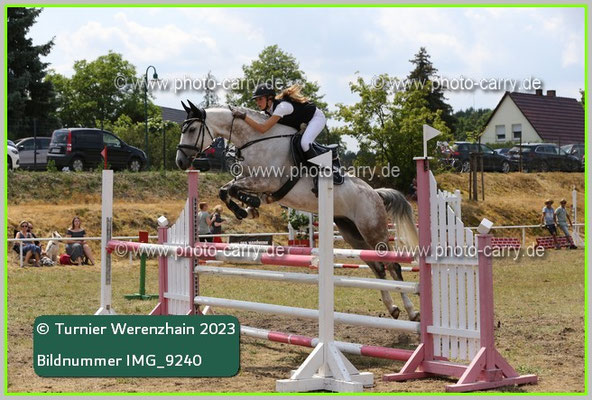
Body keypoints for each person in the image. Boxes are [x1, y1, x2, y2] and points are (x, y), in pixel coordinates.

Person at [232, 83, 327, 161]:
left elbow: (263, 128)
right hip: (302, 122)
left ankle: (322, 168)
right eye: (256, 100)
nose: (258, 103)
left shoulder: (282, 108)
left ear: (269, 98)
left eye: (260, 99)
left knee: (305, 143)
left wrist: (244, 117)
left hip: (315, 118)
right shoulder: (268, 110)